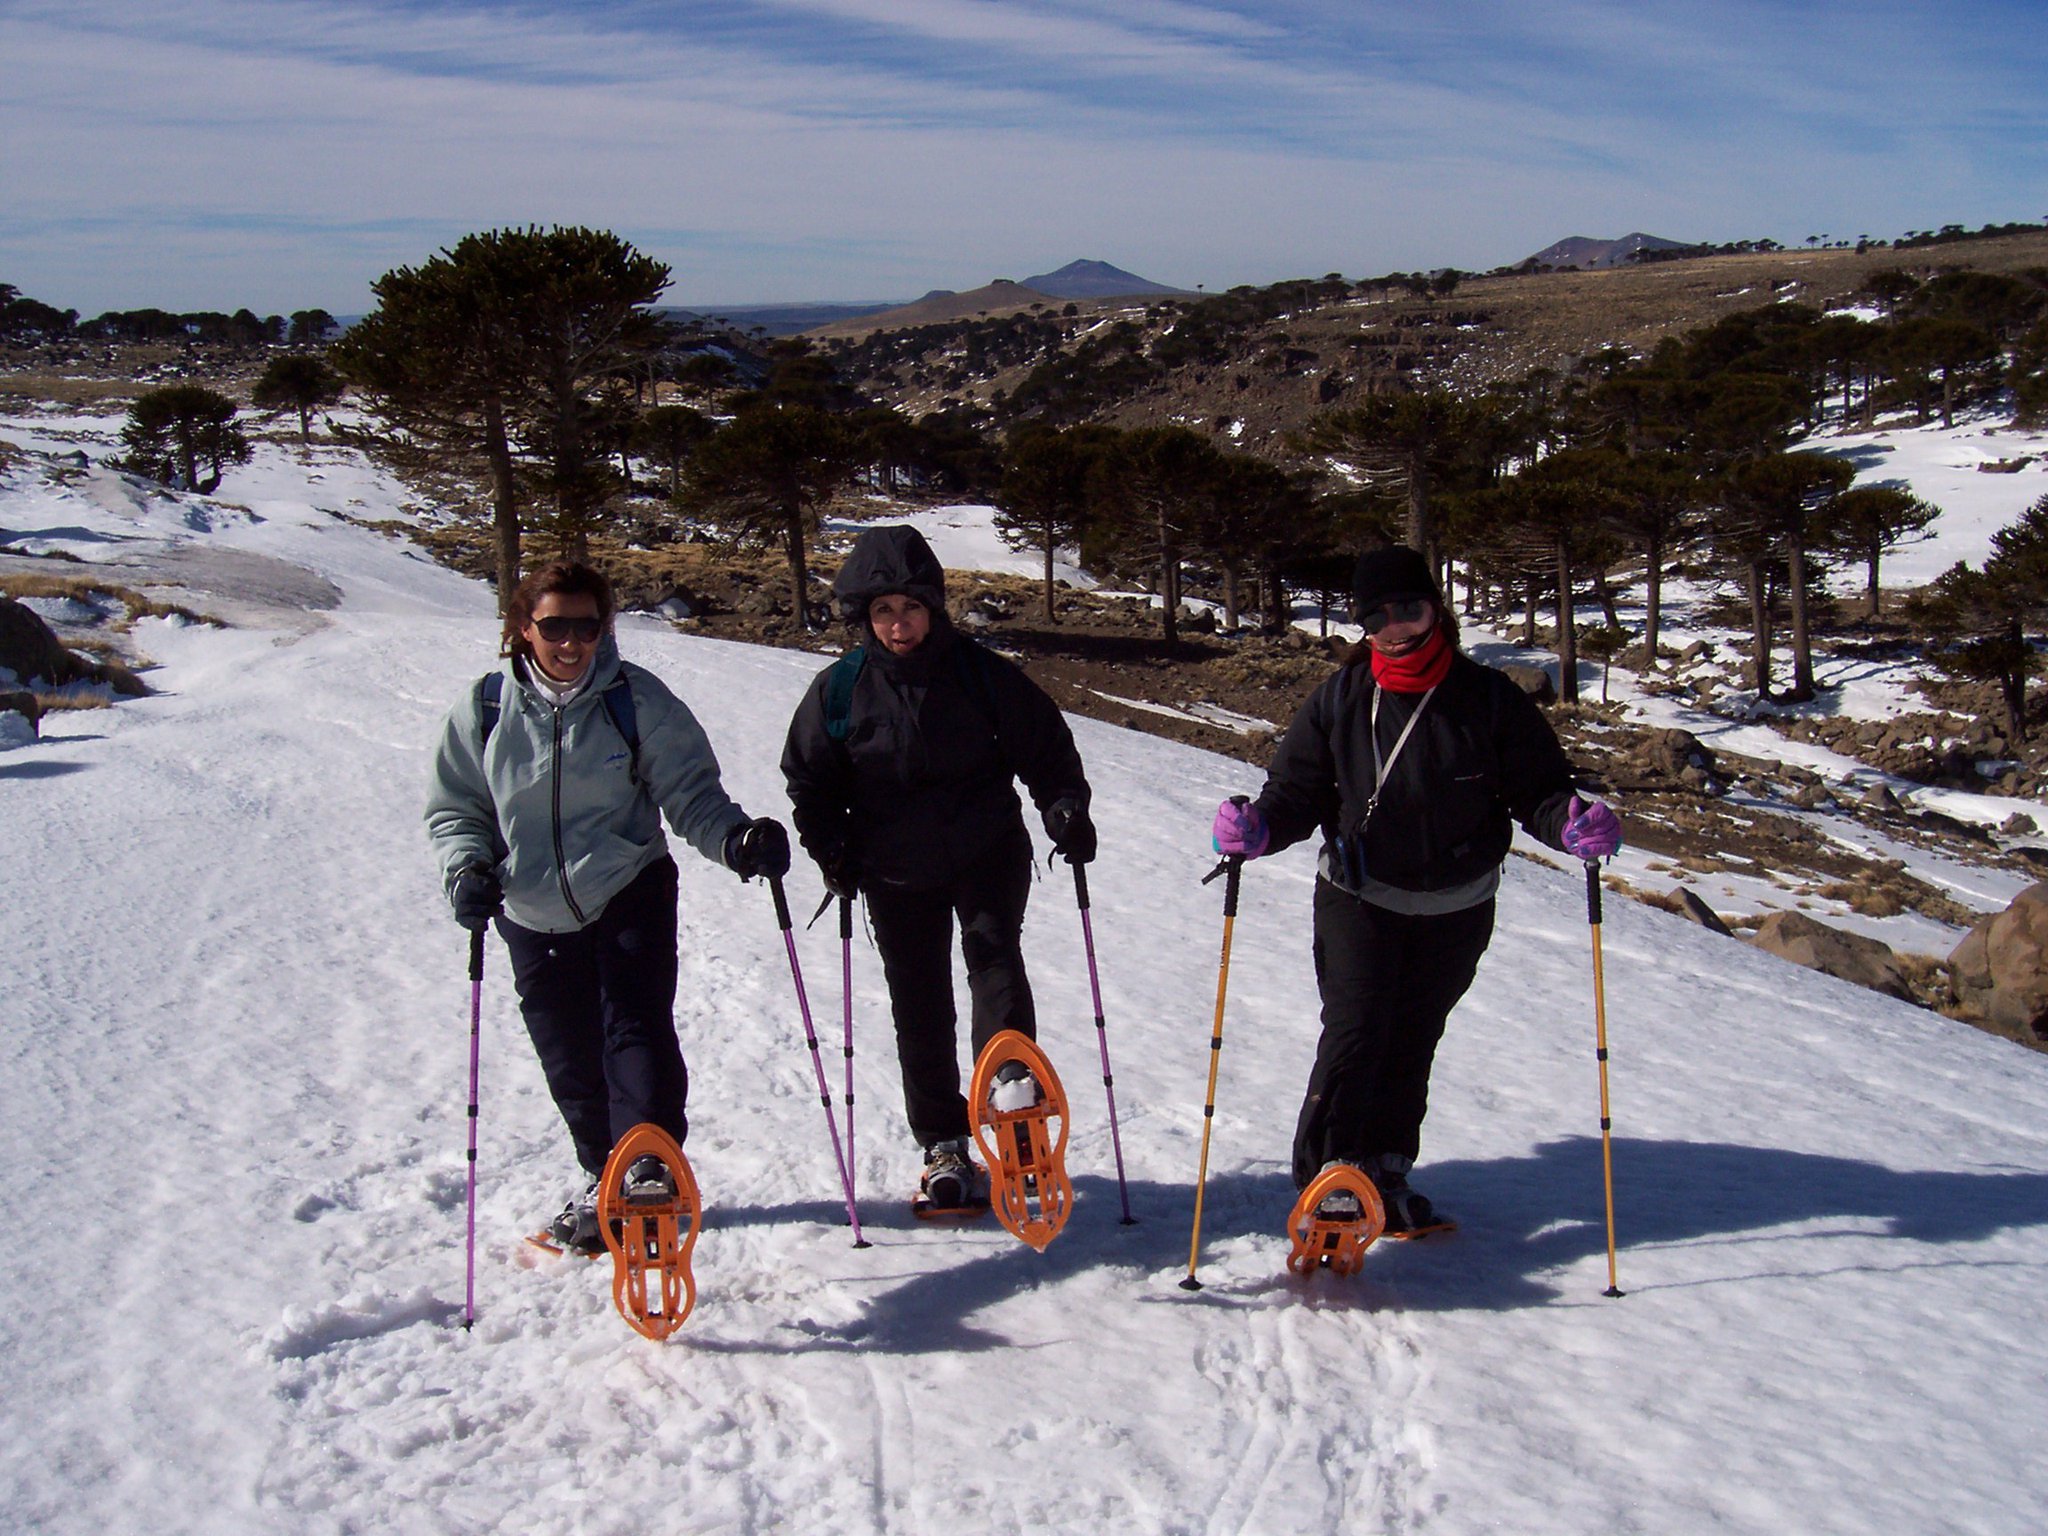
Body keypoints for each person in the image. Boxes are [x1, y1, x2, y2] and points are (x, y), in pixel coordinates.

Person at [1210, 545, 1622, 1232]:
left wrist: (1573, 824)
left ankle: (1387, 1167)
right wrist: (1257, 828)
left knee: (1412, 1037)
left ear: (1437, 609)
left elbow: (1541, 793)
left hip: (1456, 908)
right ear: (1362, 626)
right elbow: (1295, 793)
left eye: (1409, 607)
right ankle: (1332, 1174)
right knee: (1357, 1029)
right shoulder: (1338, 702)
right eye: (1377, 614)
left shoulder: (1489, 701)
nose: (1395, 625)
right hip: (1358, 898)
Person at [425, 560, 789, 1252]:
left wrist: (736, 839)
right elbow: (457, 809)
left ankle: (648, 1161)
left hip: (628, 884)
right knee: (567, 1055)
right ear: (522, 627)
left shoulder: (635, 700)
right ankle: (606, 1178)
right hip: (529, 907)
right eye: (554, 625)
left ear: (604, 628)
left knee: (634, 1025)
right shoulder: (485, 709)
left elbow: (691, 794)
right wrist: (466, 870)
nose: (570, 642)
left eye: (585, 626)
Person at [781, 526, 1095, 1209]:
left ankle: (1012, 1097)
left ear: (934, 608)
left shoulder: (981, 675)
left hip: (986, 850)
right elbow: (809, 779)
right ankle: (943, 1142)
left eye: (911, 609)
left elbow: (1046, 748)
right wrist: (828, 845)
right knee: (918, 1003)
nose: (899, 625)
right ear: (864, 617)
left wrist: (1064, 809)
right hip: (893, 868)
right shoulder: (840, 691)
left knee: (993, 959)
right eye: (884, 612)